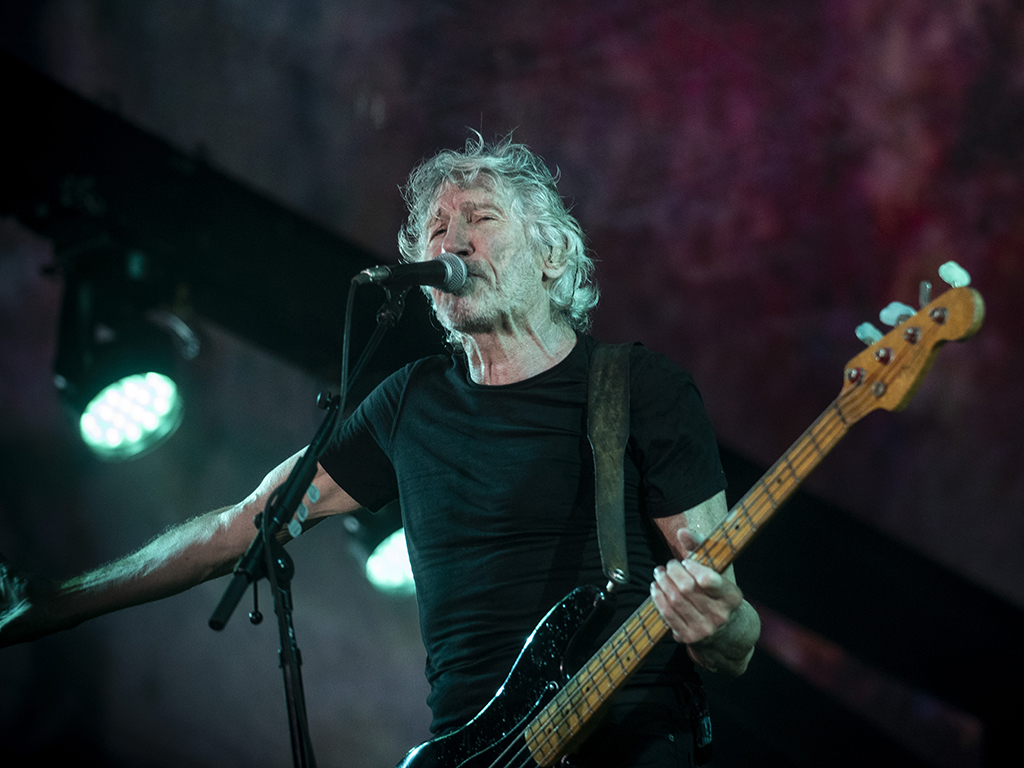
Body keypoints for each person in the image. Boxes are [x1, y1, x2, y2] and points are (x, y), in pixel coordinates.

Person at [0, 135, 760, 767]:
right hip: (470, 754)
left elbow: (730, 641)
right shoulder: (408, 402)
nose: (453, 240)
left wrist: (723, 625)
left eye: (482, 218)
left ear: (554, 255)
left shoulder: (637, 389)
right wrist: (56, 602)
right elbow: (243, 527)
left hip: (625, 738)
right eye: (435, 229)